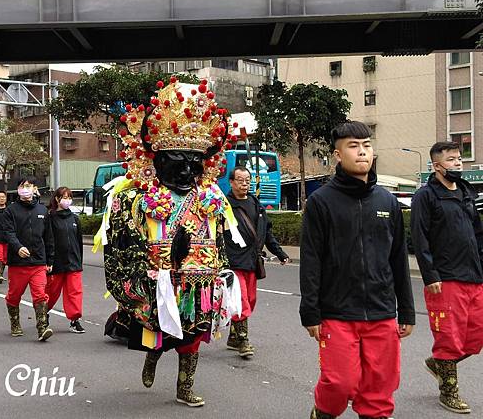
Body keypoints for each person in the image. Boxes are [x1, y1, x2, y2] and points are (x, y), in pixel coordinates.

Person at [99, 78, 244, 407]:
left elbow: (218, 240)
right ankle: (153, 355)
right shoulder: (134, 199)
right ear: (157, 158)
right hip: (155, 282)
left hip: (199, 283)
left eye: (195, 161)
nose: (187, 169)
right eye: (177, 159)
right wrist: (143, 278)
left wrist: (222, 272)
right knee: (158, 334)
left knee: (194, 335)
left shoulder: (210, 197)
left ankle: (184, 386)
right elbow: (119, 253)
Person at [300, 121, 415, 419]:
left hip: (382, 312)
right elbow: (311, 259)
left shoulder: (387, 201)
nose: (362, 152)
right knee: (340, 383)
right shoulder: (321, 202)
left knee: (379, 388)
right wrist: (310, 311)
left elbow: (398, 259)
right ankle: (322, 412)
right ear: (338, 155)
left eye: (366, 146)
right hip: (337, 312)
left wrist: (407, 310)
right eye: (353, 146)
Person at [411, 141, 483, 414]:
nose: (457, 164)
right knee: (449, 338)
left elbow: (477, 234)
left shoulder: (466, 192)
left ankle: (438, 362)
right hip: (445, 278)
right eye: (452, 160)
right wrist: (430, 275)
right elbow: (420, 238)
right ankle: (448, 392)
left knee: (475, 337)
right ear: (437, 165)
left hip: (473, 276)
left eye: (459, 160)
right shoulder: (426, 196)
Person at [224, 165, 290, 358]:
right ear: (231, 182)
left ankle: (234, 336)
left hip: (253, 261)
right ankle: (243, 340)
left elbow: (266, 232)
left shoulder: (256, 204)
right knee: (241, 299)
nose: (244, 184)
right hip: (233, 261)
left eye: (247, 180)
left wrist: (280, 253)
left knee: (251, 300)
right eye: (240, 180)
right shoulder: (224, 206)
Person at [4, 177, 54, 342]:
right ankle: (15, 322)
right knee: (14, 295)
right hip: (18, 263)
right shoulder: (10, 211)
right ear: (17, 189)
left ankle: (42, 328)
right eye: (22, 186)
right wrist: (18, 247)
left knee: (40, 295)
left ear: (35, 188)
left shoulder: (42, 210)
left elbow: (49, 237)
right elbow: (8, 233)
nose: (25, 189)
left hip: (38, 262)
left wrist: (50, 260)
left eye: (29, 186)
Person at [47, 187, 85, 333]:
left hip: (73, 262)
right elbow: (47, 240)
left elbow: (79, 241)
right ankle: (43, 312)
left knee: (74, 291)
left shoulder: (74, 218)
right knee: (51, 291)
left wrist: (79, 260)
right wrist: (48, 261)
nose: (67, 200)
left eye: (69, 197)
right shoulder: (50, 217)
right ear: (57, 198)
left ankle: (75, 320)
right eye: (64, 197)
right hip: (56, 262)